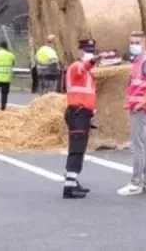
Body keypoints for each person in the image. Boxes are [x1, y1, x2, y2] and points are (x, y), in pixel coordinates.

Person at [117, 30, 146, 196]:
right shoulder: (138, 61)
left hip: (141, 109)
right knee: (145, 145)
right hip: (139, 107)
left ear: (144, 43)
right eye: (131, 43)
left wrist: (143, 101)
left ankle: (136, 183)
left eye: (137, 42)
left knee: (138, 147)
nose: (133, 46)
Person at [63, 38, 101, 200]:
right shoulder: (75, 67)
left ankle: (73, 181)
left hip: (83, 114)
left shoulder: (89, 74)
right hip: (77, 113)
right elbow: (82, 68)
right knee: (76, 149)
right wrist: (92, 61)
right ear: (80, 52)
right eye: (86, 51)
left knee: (80, 149)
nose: (89, 54)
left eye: (91, 51)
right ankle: (69, 187)